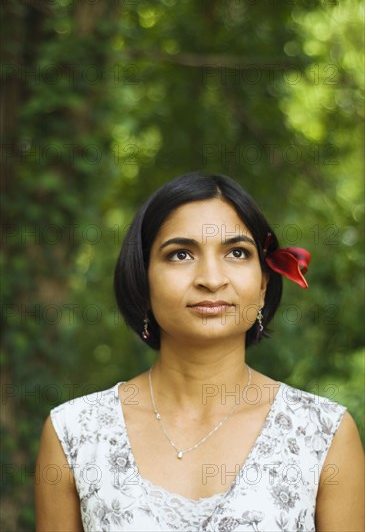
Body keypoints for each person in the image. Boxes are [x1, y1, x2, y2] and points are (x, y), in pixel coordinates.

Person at [35, 173, 364, 532]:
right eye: (181, 254)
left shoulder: (322, 433)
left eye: (237, 253)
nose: (210, 278)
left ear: (264, 283)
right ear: (142, 279)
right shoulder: (75, 433)